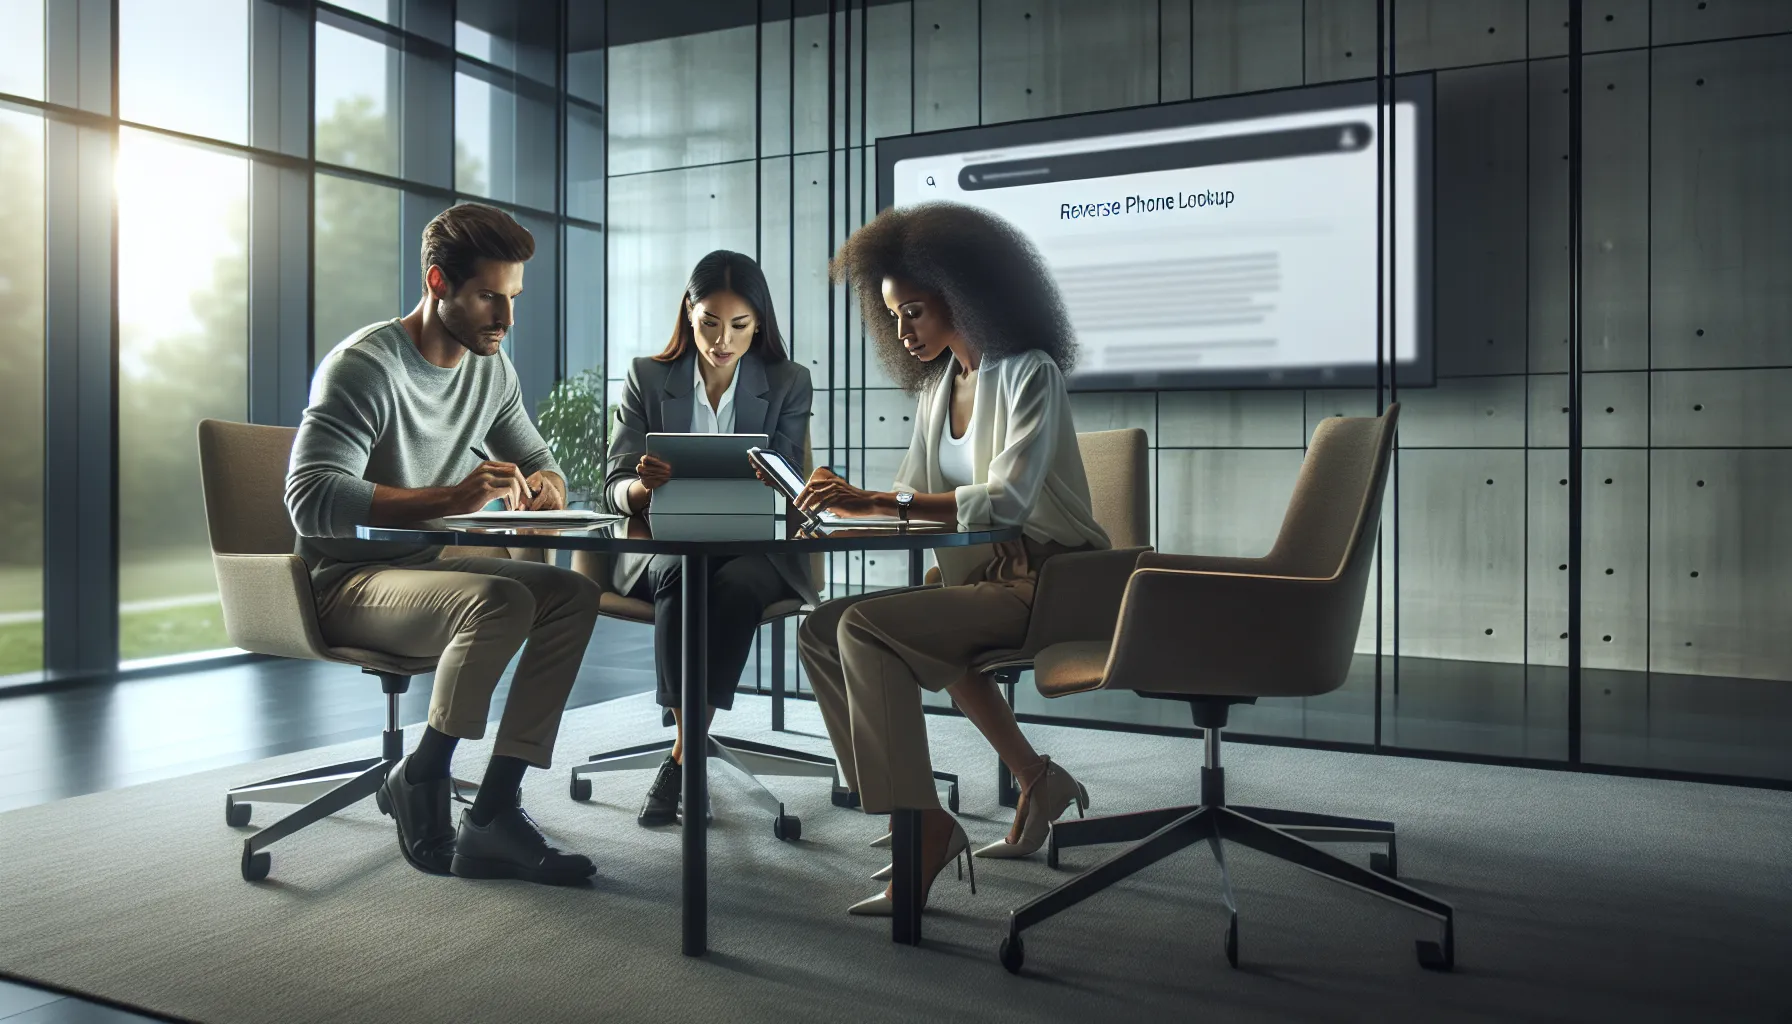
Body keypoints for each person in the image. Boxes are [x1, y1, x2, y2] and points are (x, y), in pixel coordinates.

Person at [795, 202, 1108, 916]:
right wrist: (838, 512)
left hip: (1048, 580)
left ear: (963, 296)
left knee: (867, 631)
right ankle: (994, 787)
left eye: (913, 312)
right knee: (820, 627)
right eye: (893, 317)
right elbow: (911, 498)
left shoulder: (1031, 374)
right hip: (977, 575)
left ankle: (925, 826)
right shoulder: (940, 391)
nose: (901, 333)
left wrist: (874, 502)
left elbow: (1005, 502)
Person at [286, 202, 602, 887]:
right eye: (490, 297)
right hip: (344, 581)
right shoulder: (365, 368)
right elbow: (309, 501)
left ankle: (493, 812)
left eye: (513, 298)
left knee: (572, 594)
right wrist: (451, 499)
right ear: (438, 283)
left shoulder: (491, 371)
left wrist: (546, 483)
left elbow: (542, 460)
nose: (506, 319)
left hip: (427, 568)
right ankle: (424, 773)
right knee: (498, 601)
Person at [584, 250, 815, 827]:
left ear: (759, 322)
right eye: (710, 322)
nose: (722, 339)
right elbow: (610, 486)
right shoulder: (648, 377)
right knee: (683, 575)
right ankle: (690, 753)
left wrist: (773, 479)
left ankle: (683, 755)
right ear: (689, 313)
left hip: (754, 546)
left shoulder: (788, 382)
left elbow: (790, 484)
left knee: (735, 586)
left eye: (738, 326)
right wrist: (641, 488)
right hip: (668, 544)